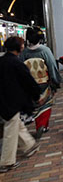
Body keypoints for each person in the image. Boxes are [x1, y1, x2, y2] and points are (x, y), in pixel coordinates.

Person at [0, 37, 41, 173]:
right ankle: (6, 162)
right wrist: (37, 95)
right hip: (11, 101)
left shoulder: (2, 61)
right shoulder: (17, 63)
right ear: (18, 47)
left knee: (16, 124)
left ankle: (29, 146)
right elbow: (28, 81)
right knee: (10, 131)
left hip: (4, 100)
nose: (24, 47)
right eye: (22, 45)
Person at [20, 27, 61, 138]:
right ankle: (42, 124)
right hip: (44, 82)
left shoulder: (24, 53)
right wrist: (56, 81)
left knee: (35, 105)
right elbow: (52, 66)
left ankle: (40, 125)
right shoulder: (45, 50)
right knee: (46, 104)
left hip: (30, 84)